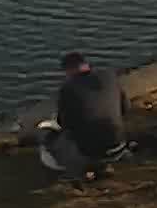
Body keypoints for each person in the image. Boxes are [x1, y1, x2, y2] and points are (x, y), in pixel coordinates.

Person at [53, 52, 130, 180]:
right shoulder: (109, 76)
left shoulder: (68, 89)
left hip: (92, 152)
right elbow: (126, 107)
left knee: (59, 142)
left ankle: (81, 171)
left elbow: (64, 124)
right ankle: (107, 163)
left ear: (68, 70)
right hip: (119, 145)